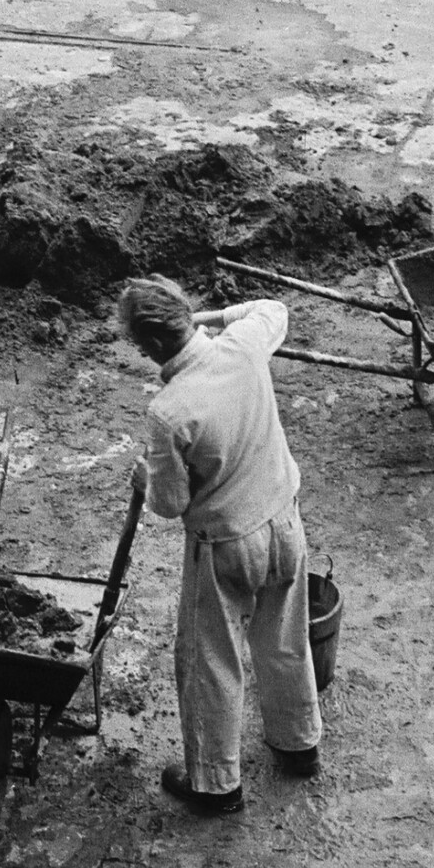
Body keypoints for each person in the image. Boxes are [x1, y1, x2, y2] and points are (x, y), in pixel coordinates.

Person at [118, 276, 322, 817]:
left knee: (212, 660)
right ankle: (299, 742)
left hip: (227, 546)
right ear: (186, 317)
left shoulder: (168, 411)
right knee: (284, 638)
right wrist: (207, 320)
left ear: (151, 345)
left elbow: (170, 503)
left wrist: (145, 480)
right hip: (285, 523)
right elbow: (271, 307)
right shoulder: (246, 344)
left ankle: (215, 782)